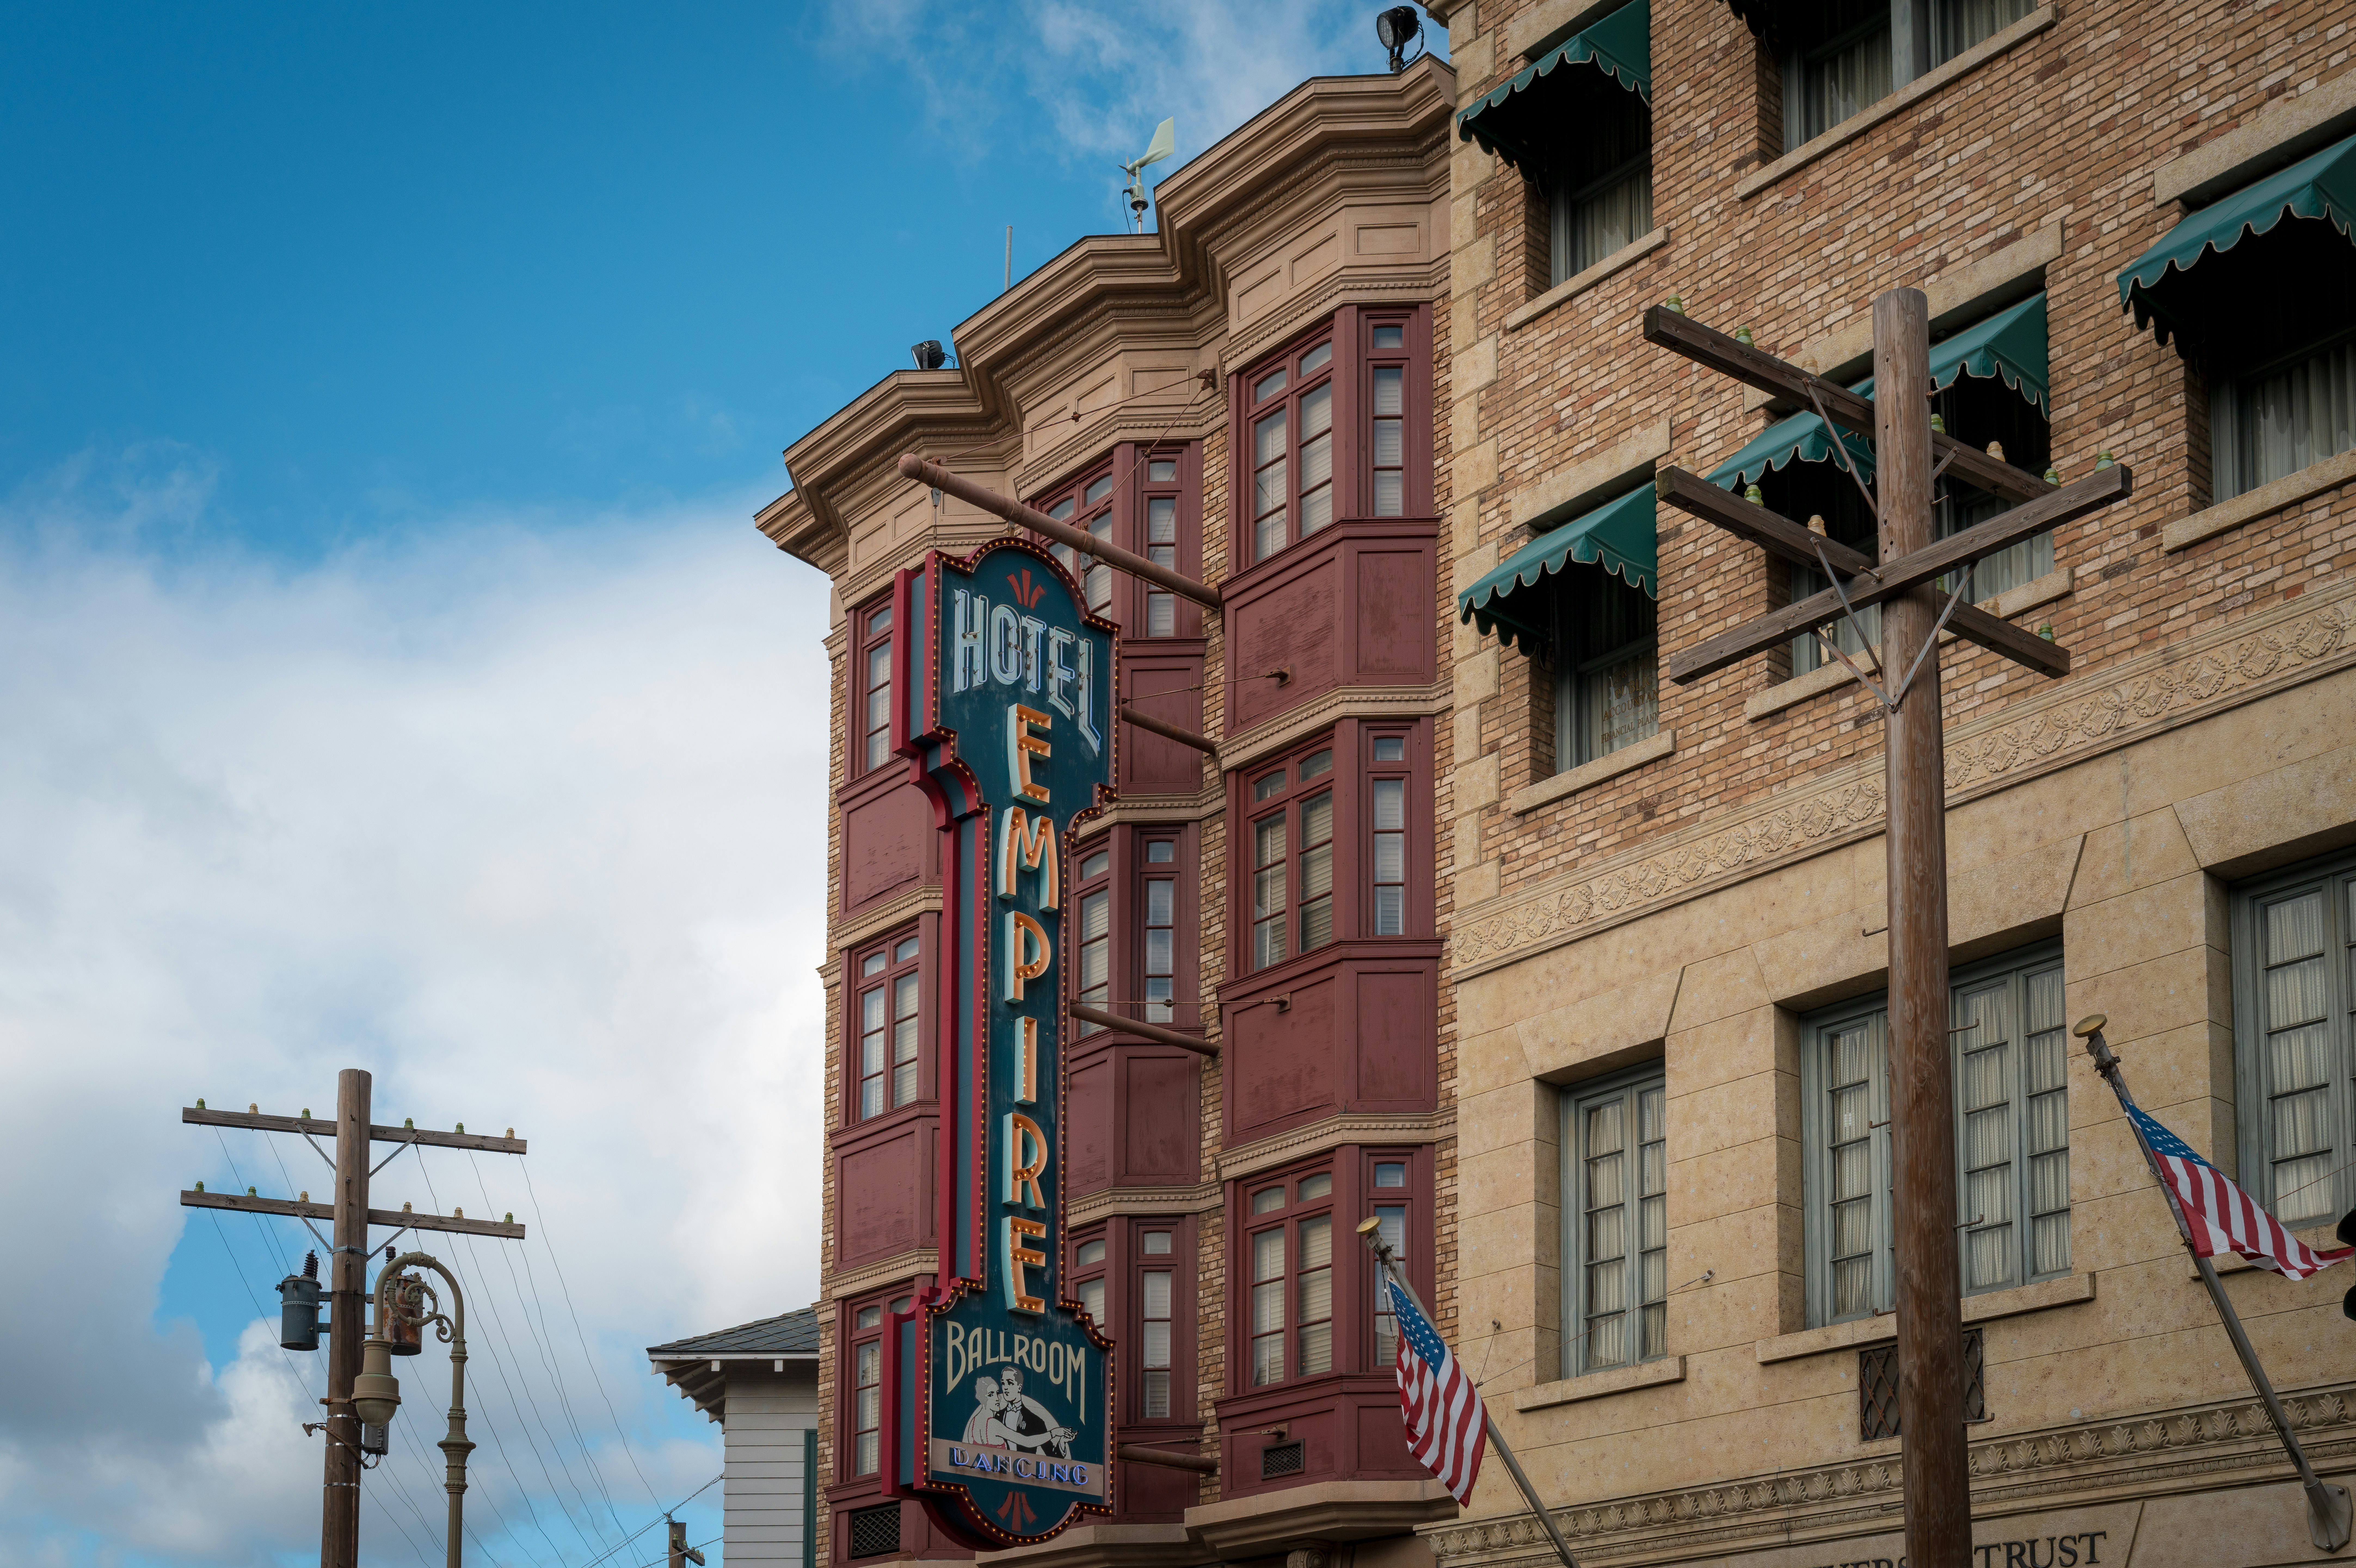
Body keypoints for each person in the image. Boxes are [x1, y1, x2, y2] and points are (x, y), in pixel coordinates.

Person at [995, 1366, 1074, 1458]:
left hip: (1025, 1471)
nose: (1005, 1388)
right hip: (998, 1470)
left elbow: (1052, 1455)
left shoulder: (1035, 1421)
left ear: (1019, 1388)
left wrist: (1062, 1442)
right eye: (1003, 1383)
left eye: (1010, 1383)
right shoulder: (998, 1417)